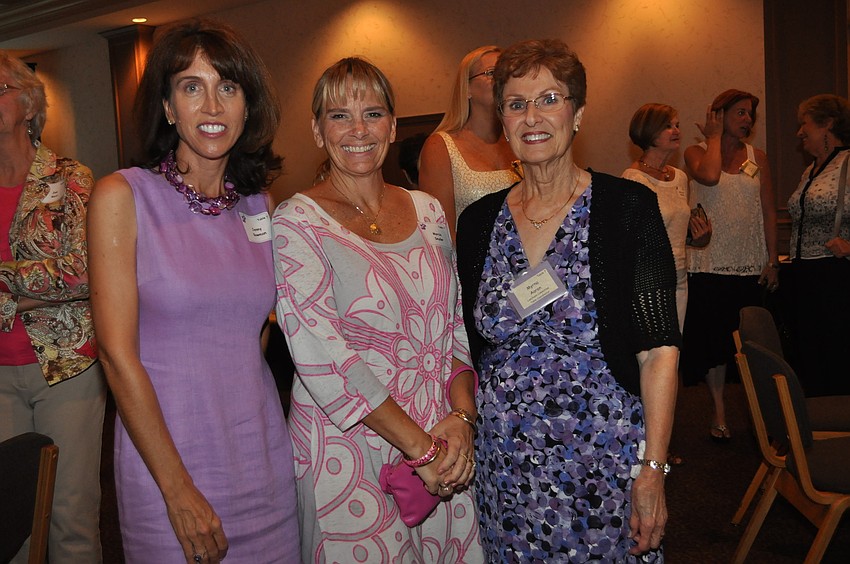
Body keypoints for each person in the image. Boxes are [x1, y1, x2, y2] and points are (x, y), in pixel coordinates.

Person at [456, 39, 680, 562]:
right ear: (503, 121)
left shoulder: (627, 208)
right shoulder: (477, 223)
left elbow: (659, 351)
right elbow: (466, 344)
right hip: (505, 470)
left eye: (549, 99)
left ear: (578, 113)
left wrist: (653, 469)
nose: (532, 116)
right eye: (516, 104)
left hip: (603, 464)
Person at [87, 20, 299, 563]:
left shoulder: (260, 207)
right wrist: (177, 489)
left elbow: (254, 334)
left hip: (263, 463)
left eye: (227, 87)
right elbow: (115, 354)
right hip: (169, 466)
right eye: (191, 86)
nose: (212, 105)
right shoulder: (122, 196)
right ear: (167, 107)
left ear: (247, 106)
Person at [272, 57, 482, 563]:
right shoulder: (296, 223)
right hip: (352, 449)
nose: (358, 129)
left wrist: (461, 418)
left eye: (372, 112)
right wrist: (421, 450)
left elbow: (454, 325)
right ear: (317, 131)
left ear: (392, 124)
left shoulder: (428, 210)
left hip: (441, 439)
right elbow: (324, 357)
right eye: (339, 115)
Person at [0, 51, 106, 564]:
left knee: (70, 515)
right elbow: (60, 274)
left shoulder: (71, 179)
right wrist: (33, 286)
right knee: (9, 522)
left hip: (66, 369)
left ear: (27, 102)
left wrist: (5, 282)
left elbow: (85, 271)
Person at [682, 89, 779, 442]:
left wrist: (772, 259)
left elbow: (768, 210)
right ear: (718, 114)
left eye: (750, 114)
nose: (747, 120)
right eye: (739, 113)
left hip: (748, 263)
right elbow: (708, 178)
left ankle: (761, 415)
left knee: (751, 345)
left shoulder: (759, 158)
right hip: (708, 264)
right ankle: (720, 409)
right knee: (714, 345)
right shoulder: (695, 152)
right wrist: (711, 137)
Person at [623, 103, 711, 332]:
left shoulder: (680, 177)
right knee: (653, 352)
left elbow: (673, 230)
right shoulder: (633, 180)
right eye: (668, 126)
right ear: (648, 132)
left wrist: (696, 239)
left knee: (674, 351)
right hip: (649, 279)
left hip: (680, 278)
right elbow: (629, 241)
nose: (676, 131)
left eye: (677, 125)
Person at [419, 46, 520, 238]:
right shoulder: (440, 147)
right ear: (467, 89)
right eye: (492, 73)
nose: (502, 80)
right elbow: (442, 234)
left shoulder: (520, 142)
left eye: (507, 73)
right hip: (470, 264)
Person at [787, 94, 850, 396]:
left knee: (835, 355)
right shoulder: (810, 170)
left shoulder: (848, 162)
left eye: (805, 124)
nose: (800, 132)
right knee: (807, 355)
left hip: (835, 276)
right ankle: (812, 431)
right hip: (804, 277)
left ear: (828, 124)